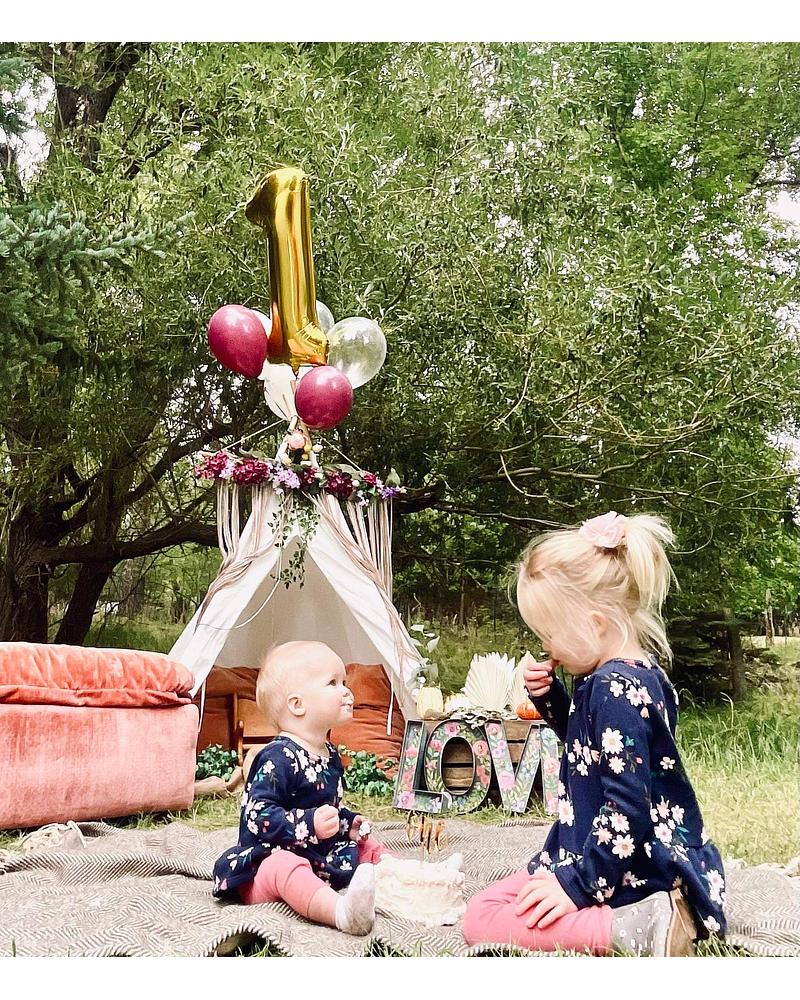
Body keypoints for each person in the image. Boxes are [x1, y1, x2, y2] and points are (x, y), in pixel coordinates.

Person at [463, 511, 727, 956]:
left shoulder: (611, 689)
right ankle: (639, 918)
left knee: (481, 918)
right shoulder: (639, 676)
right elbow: (592, 751)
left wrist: (577, 885)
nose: (546, 647)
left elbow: (627, 807)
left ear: (595, 622)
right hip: (630, 857)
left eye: (550, 634)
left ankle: (630, 927)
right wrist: (552, 699)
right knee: (498, 901)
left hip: (626, 870)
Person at [211, 640, 386, 935]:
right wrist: (309, 823)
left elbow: (328, 808)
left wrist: (347, 824)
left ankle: (407, 879)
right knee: (285, 866)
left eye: (344, 682)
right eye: (333, 683)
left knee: (367, 847)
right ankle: (341, 913)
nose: (347, 691)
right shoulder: (278, 757)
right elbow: (258, 815)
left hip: (315, 854)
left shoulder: (329, 755)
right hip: (266, 863)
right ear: (297, 705)